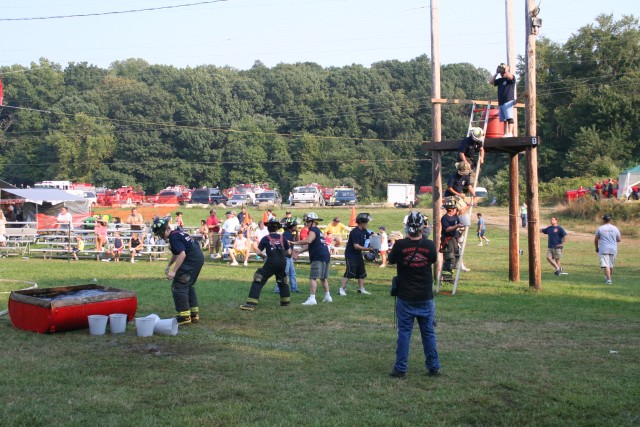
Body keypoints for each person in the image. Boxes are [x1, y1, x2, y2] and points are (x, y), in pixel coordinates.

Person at [388, 211, 440, 379]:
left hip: (405, 296)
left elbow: (391, 260)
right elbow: (432, 260)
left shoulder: (400, 245)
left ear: (407, 226)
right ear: (422, 227)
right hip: (425, 295)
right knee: (428, 333)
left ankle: (400, 368)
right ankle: (433, 367)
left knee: (404, 333)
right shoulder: (430, 245)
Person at [152, 216, 204, 325]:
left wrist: (174, 271)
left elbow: (182, 254)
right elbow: (176, 253)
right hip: (197, 258)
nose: (161, 237)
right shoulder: (177, 233)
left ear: (167, 229)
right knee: (188, 285)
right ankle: (193, 314)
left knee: (179, 285)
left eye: (161, 234)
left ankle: (184, 317)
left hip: (191, 259)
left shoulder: (173, 237)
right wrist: (169, 265)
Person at [240, 217, 291, 311]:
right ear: (277, 228)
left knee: (258, 278)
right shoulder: (282, 238)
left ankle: (251, 303)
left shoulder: (266, 238)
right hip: (282, 262)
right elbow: (289, 252)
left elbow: (258, 252)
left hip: (271, 262)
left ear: (268, 228)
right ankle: (285, 302)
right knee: (282, 280)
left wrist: (264, 255)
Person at [291, 212, 332, 305]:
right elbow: (311, 245)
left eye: (307, 221)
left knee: (313, 277)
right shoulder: (318, 231)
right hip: (325, 256)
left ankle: (312, 299)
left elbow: (308, 240)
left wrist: (294, 243)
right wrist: (299, 251)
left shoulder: (313, 230)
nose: (306, 224)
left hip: (318, 257)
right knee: (323, 277)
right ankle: (328, 296)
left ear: (312, 222)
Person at [338, 213, 374, 296]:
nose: (367, 224)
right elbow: (356, 246)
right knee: (350, 271)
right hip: (351, 254)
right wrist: (368, 249)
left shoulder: (363, 231)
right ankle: (341, 289)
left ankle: (361, 289)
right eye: (366, 222)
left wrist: (373, 235)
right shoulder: (355, 232)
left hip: (358, 254)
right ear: (361, 222)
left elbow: (369, 235)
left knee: (361, 271)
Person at [489, 62, 516, 137]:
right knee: (504, 120)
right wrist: (496, 73)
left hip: (508, 101)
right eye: (501, 72)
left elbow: (511, 77)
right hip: (501, 102)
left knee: (509, 117)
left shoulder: (510, 79)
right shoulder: (500, 80)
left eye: (502, 72)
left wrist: (506, 70)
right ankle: (506, 132)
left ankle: (510, 132)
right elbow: (491, 82)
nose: (502, 73)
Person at [440, 199, 465, 276]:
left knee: (457, 256)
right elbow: (447, 229)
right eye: (454, 209)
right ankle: (446, 276)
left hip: (454, 239)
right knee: (450, 258)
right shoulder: (444, 218)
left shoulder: (455, 217)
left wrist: (462, 228)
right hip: (447, 239)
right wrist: (457, 226)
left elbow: (459, 225)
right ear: (450, 209)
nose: (455, 210)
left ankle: (450, 273)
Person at [595, 214, 621, 285]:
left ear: (603, 220)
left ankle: (609, 280)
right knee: (610, 265)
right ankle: (608, 278)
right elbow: (619, 239)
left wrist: (597, 248)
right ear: (610, 220)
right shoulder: (615, 228)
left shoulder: (600, 228)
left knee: (606, 265)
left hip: (604, 249)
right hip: (613, 249)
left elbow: (596, 239)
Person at [279, 218, 300, 294]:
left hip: (289, 256)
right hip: (285, 256)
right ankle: (278, 289)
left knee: (292, 273)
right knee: (284, 273)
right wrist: (292, 254)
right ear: (292, 226)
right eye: (295, 226)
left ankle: (294, 288)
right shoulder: (287, 235)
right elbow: (286, 246)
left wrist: (297, 232)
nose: (297, 227)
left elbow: (297, 241)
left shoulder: (290, 234)